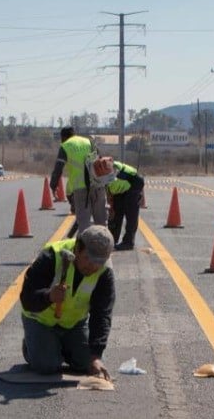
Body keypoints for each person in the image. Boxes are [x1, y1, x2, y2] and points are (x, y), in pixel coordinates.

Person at [20, 224, 115, 381]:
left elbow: (102, 314)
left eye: (98, 262)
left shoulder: (104, 272)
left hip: (73, 324)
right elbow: (27, 299)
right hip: (41, 320)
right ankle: (31, 347)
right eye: (88, 259)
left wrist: (96, 355)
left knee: (88, 363)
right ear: (77, 248)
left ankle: (59, 345)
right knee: (47, 365)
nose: (93, 267)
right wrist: (49, 296)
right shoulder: (52, 256)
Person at [50, 126, 108, 236]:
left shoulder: (65, 146)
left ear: (63, 137)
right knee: (101, 222)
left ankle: (85, 246)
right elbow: (101, 161)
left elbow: (58, 168)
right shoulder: (88, 141)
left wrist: (53, 185)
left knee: (84, 223)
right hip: (98, 185)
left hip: (81, 189)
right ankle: (105, 244)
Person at [106, 160, 144, 250]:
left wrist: (111, 208)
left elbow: (109, 196)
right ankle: (112, 240)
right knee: (117, 213)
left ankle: (128, 242)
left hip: (134, 184)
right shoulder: (107, 165)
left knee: (131, 215)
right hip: (122, 185)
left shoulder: (104, 174)